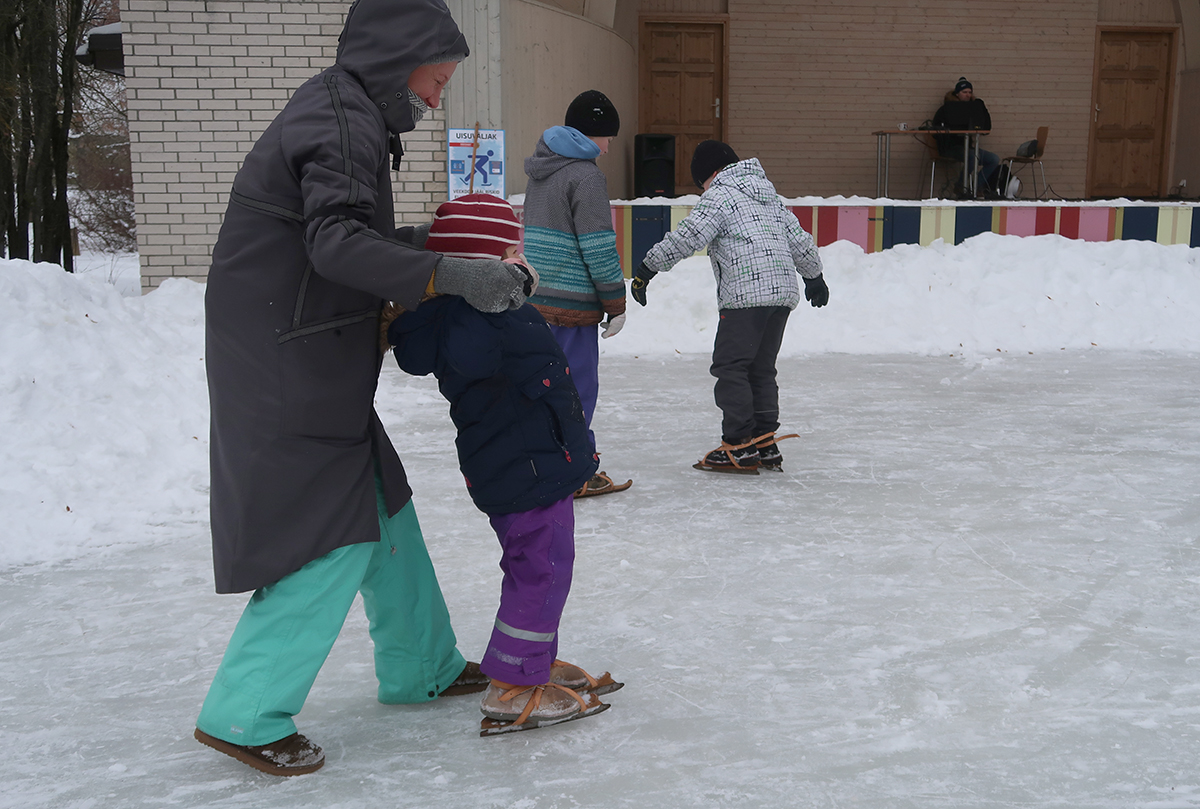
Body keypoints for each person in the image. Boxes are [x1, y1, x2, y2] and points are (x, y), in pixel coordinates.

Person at [195, 0, 534, 776]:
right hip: (285, 356)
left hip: (299, 343)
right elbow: (337, 243)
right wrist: (447, 272)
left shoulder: (348, 111)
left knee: (381, 498)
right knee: (331, 528)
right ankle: (244, 710)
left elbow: (348, 235)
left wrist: (445, 247)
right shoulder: (341, 116)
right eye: (437, 80)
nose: (438, 99)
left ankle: (423, 662)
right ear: (397, 60)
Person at [383, 194, 623, 735]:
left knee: (540, 566)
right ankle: (513, 683)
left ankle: (530, 663)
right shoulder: (473, 319)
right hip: (526, 470)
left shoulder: (479, 314)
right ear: (481, 268)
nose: (521, 260)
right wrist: (493, 295)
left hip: (526, 464)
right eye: (510, 252)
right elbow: (474, 350)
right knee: (540, 569)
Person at [630, 140, 828, 474]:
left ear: (710, 174)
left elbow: (689, 235)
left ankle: (739, 444)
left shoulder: (720, 195)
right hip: (781, 295)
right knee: (761, 369)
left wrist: (647, 268)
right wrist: (814, 276)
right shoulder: (769, 196)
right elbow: (799, 239)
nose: (703, 191)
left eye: (701, 185)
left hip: (746, 296)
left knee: (731, 366)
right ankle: (764, 442)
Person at [522, 90, 631, 498]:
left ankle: (545, 464)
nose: (608, 147)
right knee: (577, 390)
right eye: (607, 138)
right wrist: (615, 302)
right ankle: (575, 471)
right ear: (591, 134)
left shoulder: (541, 169)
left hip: (536, 302)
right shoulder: (585, 175)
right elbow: (598, 247)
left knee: (545, 387)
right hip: (572, 308)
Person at [932, 77, 1000, 197]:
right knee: (972, 157)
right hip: (951, 147)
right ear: (957, 94)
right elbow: (936, 129)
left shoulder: (974, 110)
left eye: (970, 92)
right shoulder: (945, 110)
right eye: (964, 92)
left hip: (968, 147)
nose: (968, 95)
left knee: (993, 159)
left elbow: (986, 127)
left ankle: (976, 186)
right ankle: (961, 186)